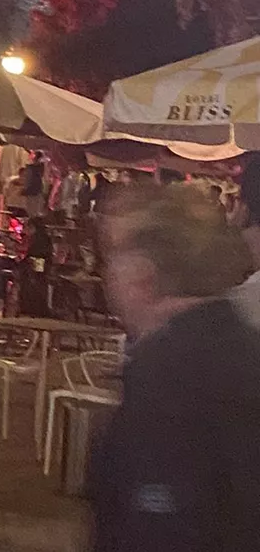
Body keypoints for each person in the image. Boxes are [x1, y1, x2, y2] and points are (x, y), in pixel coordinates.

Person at [92, 182, 258, 552]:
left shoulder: (168, 380)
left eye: (113, 255)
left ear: (142, 274)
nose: (107, 273)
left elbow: (158, 527)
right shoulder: (239, 345)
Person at [22, 150, 47, 216]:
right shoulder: (42, 167)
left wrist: (24, 188)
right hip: (38, 189)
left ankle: (31, 221)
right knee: (35, 210)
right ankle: (33, 221)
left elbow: (27, 179)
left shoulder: (30, 168)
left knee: (30, 209)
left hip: (31, 190)